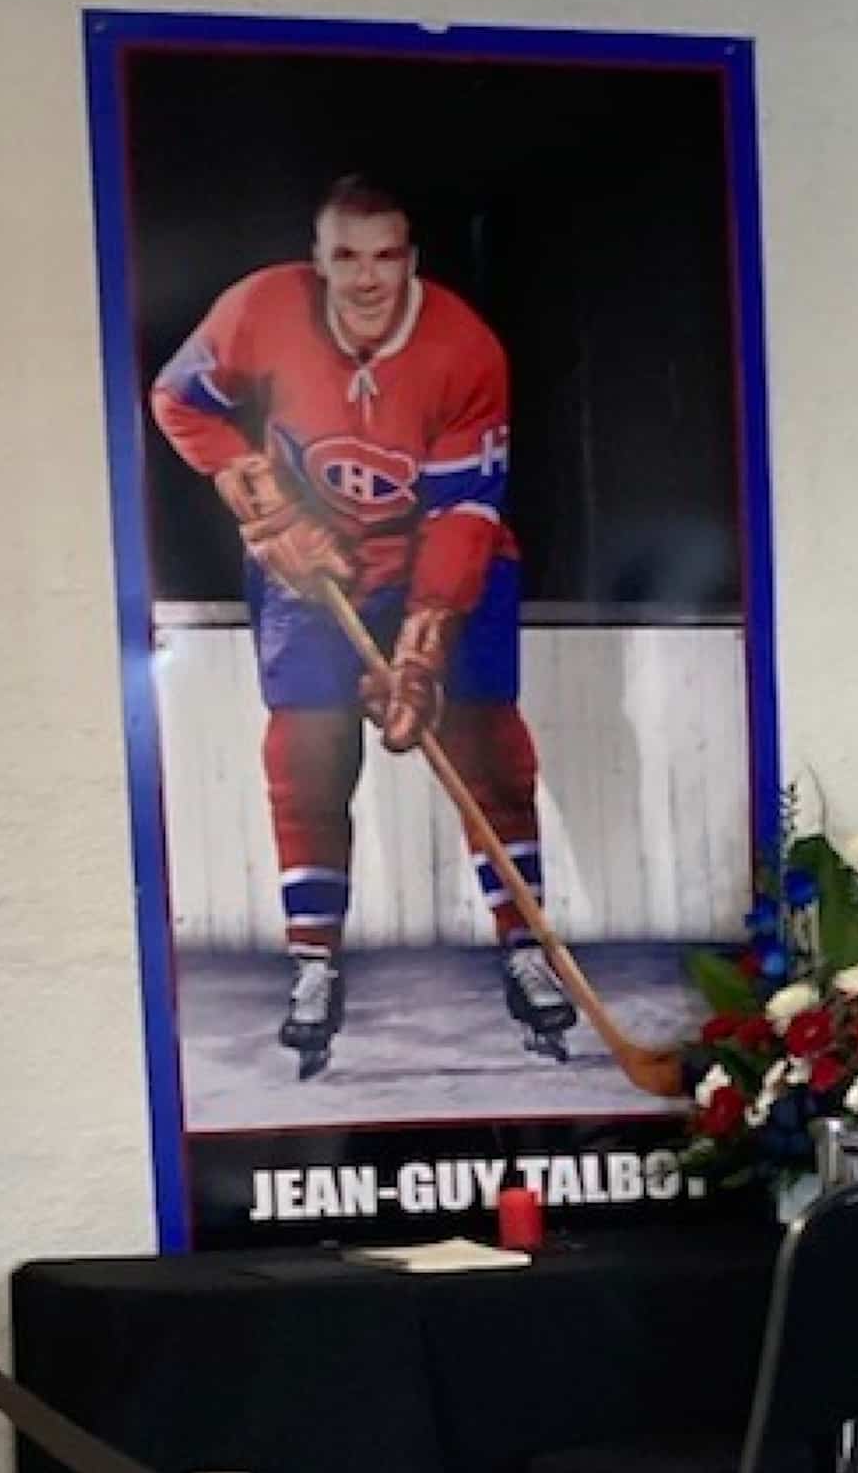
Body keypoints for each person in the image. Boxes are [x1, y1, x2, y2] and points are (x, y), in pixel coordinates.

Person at [151, 173, 577, 1077]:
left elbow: (465, 511)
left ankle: (524, 945)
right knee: (303, 756)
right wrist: (265, 507)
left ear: (411, 258)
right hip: (312, 567)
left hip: (442, 560)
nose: (367, 277)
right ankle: (314, 962)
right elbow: (181, 400)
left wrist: (420, 653)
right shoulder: (261, 308)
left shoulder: (466, 349)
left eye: (386, 255)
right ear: (318, 260)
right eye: (346, 255)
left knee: (488, 748)